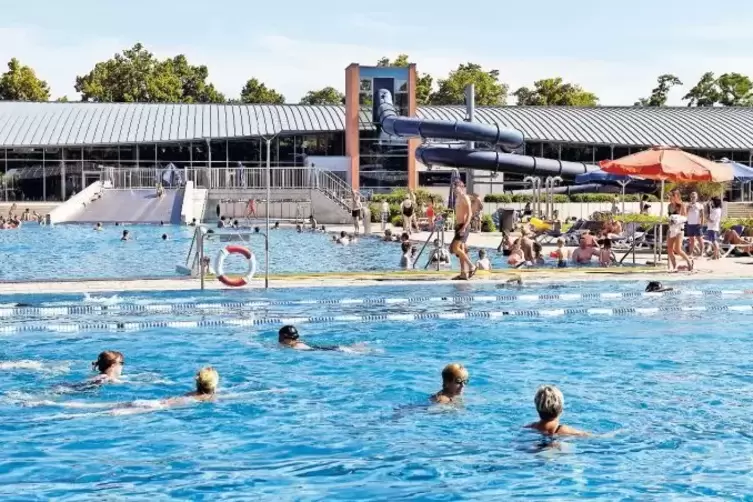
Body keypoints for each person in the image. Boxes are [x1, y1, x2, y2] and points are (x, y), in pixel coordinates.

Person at [450, 182, 476, 280]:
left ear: (461, 187)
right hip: (458, 226)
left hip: (463, 226)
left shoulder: (465, 197)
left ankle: (471, 266)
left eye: (455, 188)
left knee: (454, 248)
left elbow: (470, 214)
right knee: (461, 249)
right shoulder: (457, 198)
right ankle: (463, 274)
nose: (454, 190)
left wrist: (464, 227)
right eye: (453, 188)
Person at [277, 325, 366, 352]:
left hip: (333, 350)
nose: (279, 339)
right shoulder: (297, 343)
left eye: (280, 337)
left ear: (286, 337)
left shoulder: (296, 347)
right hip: (330, 348)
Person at [667, 190, 693, 271]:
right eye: (669, 195)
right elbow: (669, 217)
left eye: (671, 195)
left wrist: (677, 219)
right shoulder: (669, 206)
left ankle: (689, 261)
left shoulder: (682, 205)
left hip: (679, 229)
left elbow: (685, 218)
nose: (669, 197)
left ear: (676, 196)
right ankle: (675, 266)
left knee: (677, 249)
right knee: (669, 249)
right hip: (671, 229)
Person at [685, 191, 705, 258]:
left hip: (697, 224)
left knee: (700, 239)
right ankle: (691, 253)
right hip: (690, 224)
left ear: (696, 197)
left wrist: (702, 223)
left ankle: (701, 253)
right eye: (691, 196)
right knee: (691, 240)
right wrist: (688, 208)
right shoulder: (688, 205)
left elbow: (702, 215)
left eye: (694, 197)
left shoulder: (700, 205)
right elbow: (685, 214)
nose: (692, 198)